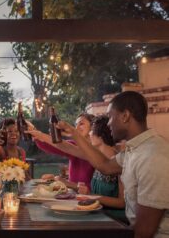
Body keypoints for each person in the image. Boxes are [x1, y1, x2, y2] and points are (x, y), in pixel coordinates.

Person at [57, 91, 169, 238]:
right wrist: (74, 133)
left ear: (125, 116)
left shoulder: (153, 156)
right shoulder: (135, 149)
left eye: (110, 116)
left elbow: (144, 231)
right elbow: (105, 165)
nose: (108, 123)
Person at [31, 113, 95, 190]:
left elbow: (94, 187)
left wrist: (68, 183)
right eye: (76, 124)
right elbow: (51, 146)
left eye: (81, 124)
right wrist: (36, 135)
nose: (76, 127)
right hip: (72, 194)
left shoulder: (97, 151)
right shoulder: (74, 144)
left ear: (92, 127)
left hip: (89, 197)